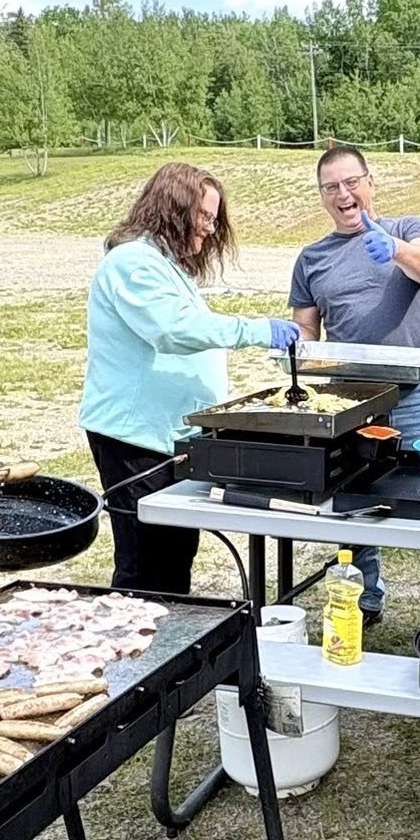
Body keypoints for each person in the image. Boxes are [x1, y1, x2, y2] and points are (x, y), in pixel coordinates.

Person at [81, 161, 302, 593]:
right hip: (134, 442)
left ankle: (169, 645)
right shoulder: (132, 263)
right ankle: (140, 651)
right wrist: (256, 330)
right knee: (145, 565)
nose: (208, 229)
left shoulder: (167, 266)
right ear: (173, 209)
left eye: (213, 220)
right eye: (203, 217)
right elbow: (172, 329)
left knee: (176, 555)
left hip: (169, 439)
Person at [290, 143, 420, 625]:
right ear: (321, 196)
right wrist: (292, 345)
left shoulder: (408, 229)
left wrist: (391, 248)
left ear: (370, 183)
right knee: (353, 496)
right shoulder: (311, 258)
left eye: (351, 182)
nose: (343, 194)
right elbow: (308, 330)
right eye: (331, 187)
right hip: (351, 398)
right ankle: (364, 596)